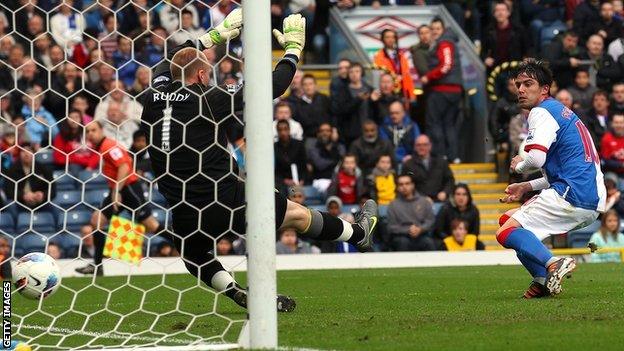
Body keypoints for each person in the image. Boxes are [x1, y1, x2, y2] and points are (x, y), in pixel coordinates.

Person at [139, 12, 378, 312]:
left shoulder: (153, 96)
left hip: (184, 209)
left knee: (194, 255)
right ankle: (358, 233)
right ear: (201, 76)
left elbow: (167, 62)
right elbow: (272, 87)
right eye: (208, 71)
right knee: (296, 215)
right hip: (225, 198)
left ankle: (236, 292)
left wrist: (212, 37)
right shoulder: (209, 98)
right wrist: (293, 50)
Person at [498, 59, 606, 299]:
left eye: (528, 83)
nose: (521, 89)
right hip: (590, 197)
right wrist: (526, 185)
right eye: (518, 84)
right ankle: (542, 281)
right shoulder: (561, 113)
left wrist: (519, 166)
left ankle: (552, 264)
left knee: (505, 232)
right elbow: (562, 170)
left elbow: (535, 160)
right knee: (510, 222)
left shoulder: (541, 112)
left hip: (571, 194)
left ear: (544, 89)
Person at [74, 121, 166, 276]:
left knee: (152, 226)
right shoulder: (101, 147)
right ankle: (97, 267)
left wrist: (117, 190)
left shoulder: (108, 146)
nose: (90, 134)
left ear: (102, 130)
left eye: (93, 130)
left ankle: (186, 247)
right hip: (118, 190)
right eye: (87, 131)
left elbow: (124, 164)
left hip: (129, 189)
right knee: (97, 221)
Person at [421, 18, 463, 163]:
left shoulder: (445, 43)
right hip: (454, 91)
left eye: (437, 28)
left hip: (442, 89)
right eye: (432, 29)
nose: (434, 32)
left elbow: (446, 65)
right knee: (449, 124)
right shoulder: (448, 42)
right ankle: (453, 156)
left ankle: (441, 155)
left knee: (435, 122)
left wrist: (428, 76)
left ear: (443, 29)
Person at [387, 174, 435, 252]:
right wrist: (408, 230)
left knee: (428, 242)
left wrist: (420, 229)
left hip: (421, 235)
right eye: (401, 184)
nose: (404, 187)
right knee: (403, 242)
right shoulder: (393, 205)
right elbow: (392, 227)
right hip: (401, 236)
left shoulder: (424, 201)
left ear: (413, 185)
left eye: (407, 183)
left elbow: (430, 221)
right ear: (398, 187)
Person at [2, 142, 55, 211]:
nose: (26, 154)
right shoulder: (12, 170)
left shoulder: (43, 168)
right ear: (19, 154)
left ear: (34, 153)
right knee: (11, 205)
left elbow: (53, 190)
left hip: (40, 203)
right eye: (23, 151)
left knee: (53, 205)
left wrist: (43, 195)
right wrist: (23, 196)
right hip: (20, 203)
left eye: (29, 150)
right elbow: (8, 191)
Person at [402, 135, 455, 202]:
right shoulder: (409, 165)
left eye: (425, 145)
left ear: (430, 146)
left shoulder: (441, 162)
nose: (422, 147)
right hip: (416, 202)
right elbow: (406, 182)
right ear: (415, 147)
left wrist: (445, 192)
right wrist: (420, 197)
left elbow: (450, 180)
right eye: (419, 145)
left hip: (440, 200)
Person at [373, 29, 415, 102]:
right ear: (382, 39)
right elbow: (377, 78)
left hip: (403, 94)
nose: (391, 39)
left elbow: (408, 76)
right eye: (387, 37)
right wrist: (394, 78)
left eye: (393, 37)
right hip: (388, 94)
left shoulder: (401, 55)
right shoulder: (378, 56)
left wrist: (411, 95)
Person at [52, 109, 99, 175]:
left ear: (81, 119)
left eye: (76, 117)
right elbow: (58, 157)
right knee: (74, 167)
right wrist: (77, 160)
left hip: (90, 164)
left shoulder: (88, 133)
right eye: (71, 117)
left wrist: (90, 166)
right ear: (66, 120)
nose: (74, 120)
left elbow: (96, 153)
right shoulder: (61, 136)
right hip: (73, 165)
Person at [274, 119, 308, 191]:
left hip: (299, 180)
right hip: (281, 182)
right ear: (277, 131)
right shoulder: (274, 147)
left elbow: (304, 165)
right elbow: (275, 169)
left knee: (298, 191)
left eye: (285, 129)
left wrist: (302, 180)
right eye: (280, 130)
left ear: (289, 130)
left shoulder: (299, 145)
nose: (283, 132)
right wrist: (284, 180)